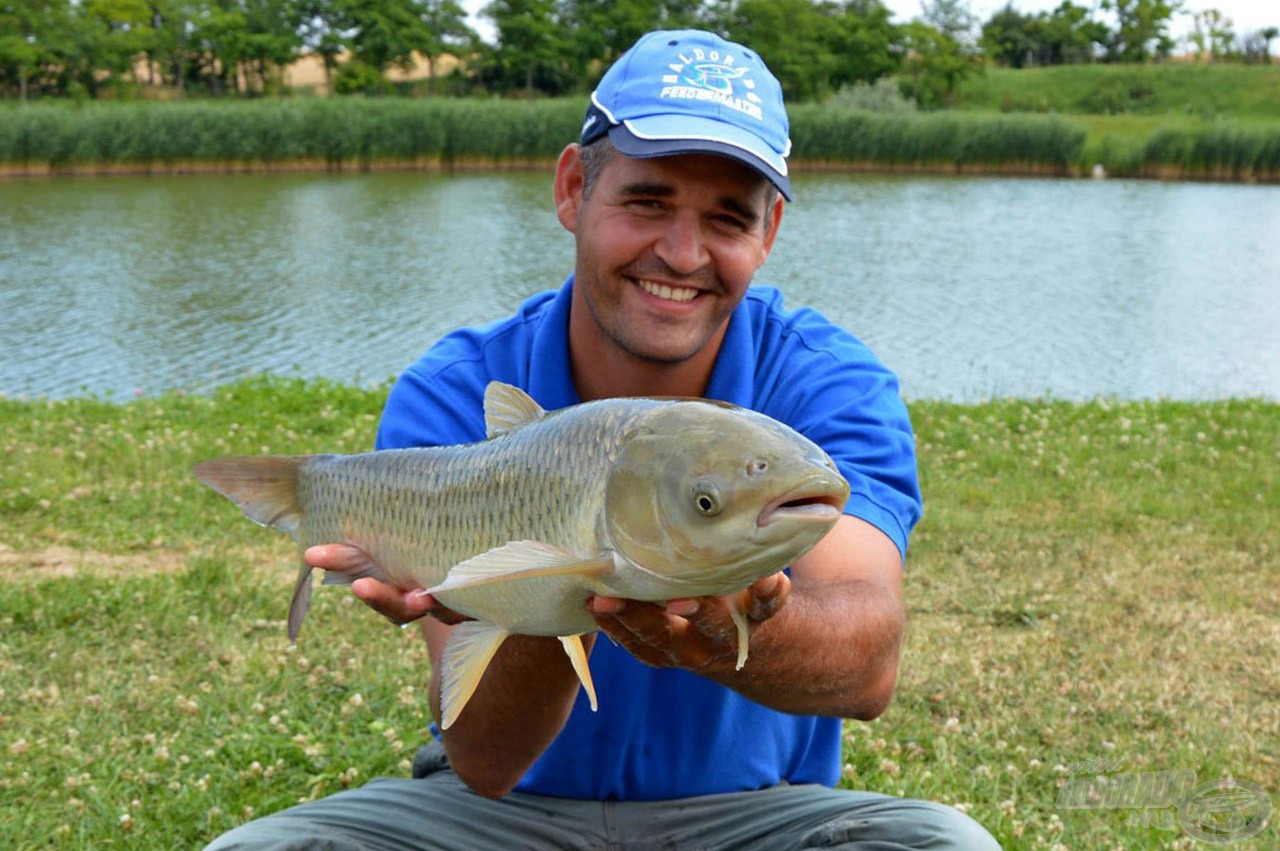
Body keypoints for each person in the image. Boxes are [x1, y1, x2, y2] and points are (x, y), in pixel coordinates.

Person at [207, 29, 1000, 850]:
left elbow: (867, 661)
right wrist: (555, 595)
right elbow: (483, 757)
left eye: (728, 218)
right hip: (502, 815)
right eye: (648, 202)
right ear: (572, 189)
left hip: (753, 815)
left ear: (769, 234)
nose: (683, 253)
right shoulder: (455, 391)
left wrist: (721, 628)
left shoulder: (826, 383)